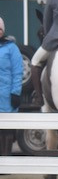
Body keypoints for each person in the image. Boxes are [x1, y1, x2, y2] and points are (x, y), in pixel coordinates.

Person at [0, 16, 24, 155]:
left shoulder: (11, 48)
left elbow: (17, 71)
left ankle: (5, 161)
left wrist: (15, 93)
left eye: (0, 29)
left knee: (6, 130)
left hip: (6, 97)